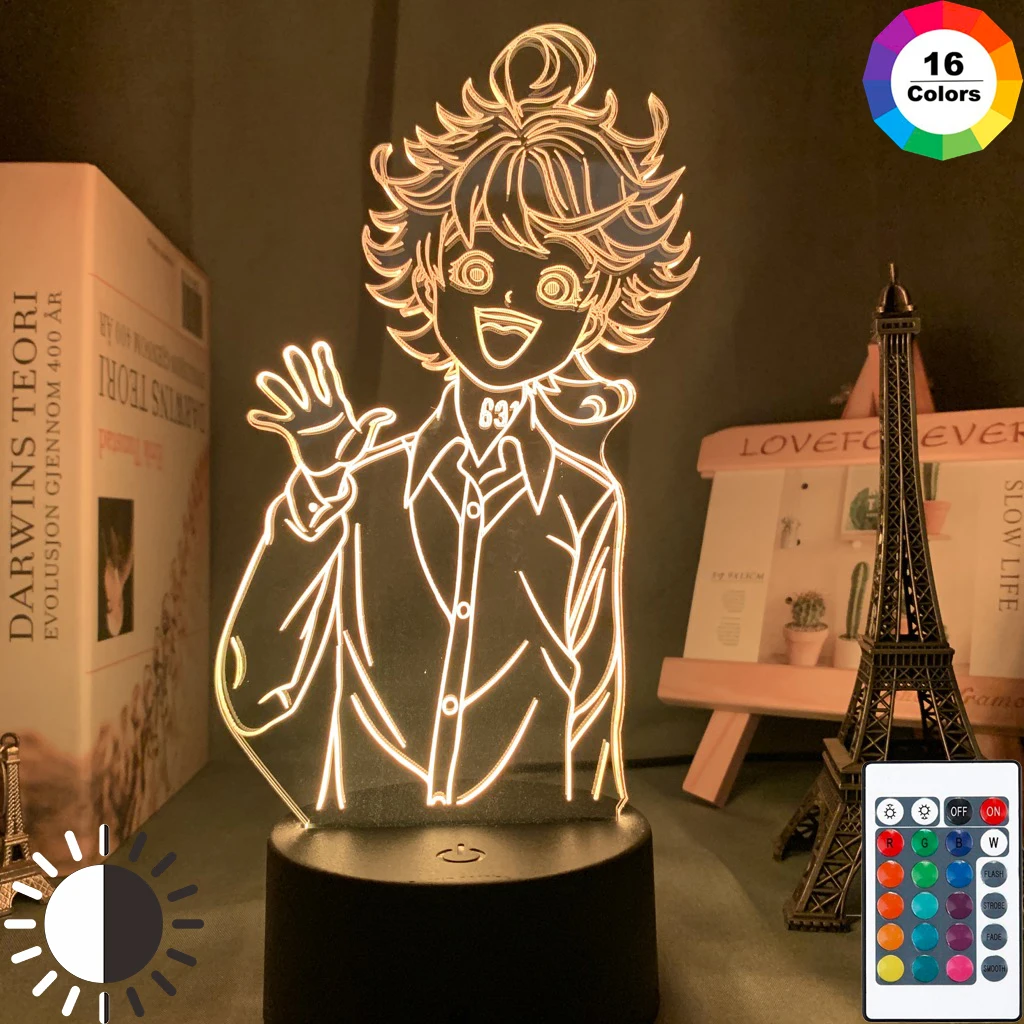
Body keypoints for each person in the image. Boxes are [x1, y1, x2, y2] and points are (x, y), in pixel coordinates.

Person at [215, 24, 696, 825]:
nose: (508, 301)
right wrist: (319, 486)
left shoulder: (588, 501)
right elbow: (259, 688)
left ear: (596, 312)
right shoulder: (360, 483)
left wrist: (576, 847)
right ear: (428, 278)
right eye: (476, 269)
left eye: (554, 286)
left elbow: (593, 714)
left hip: (532, 854)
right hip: (363, 843)